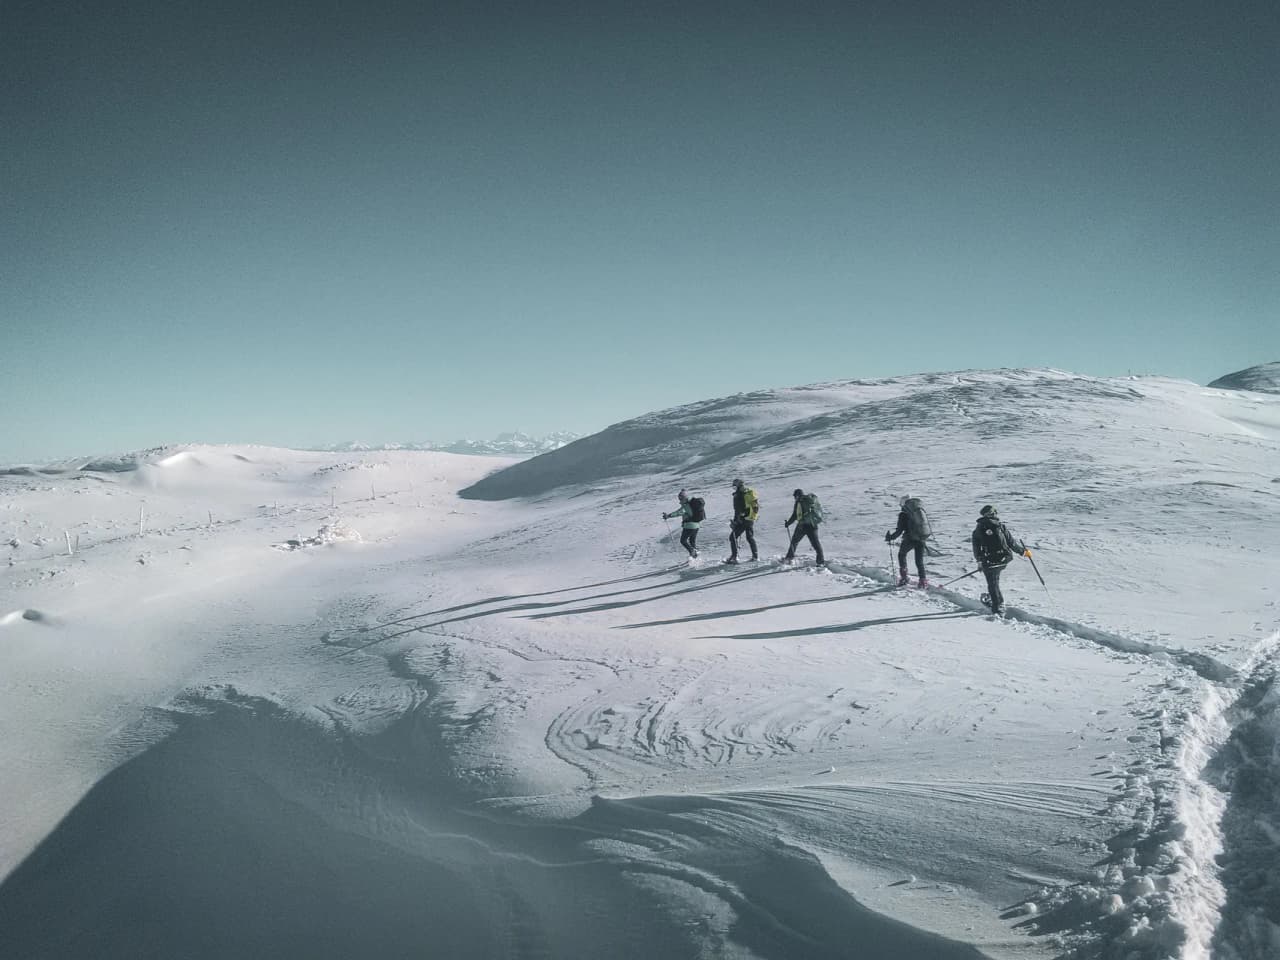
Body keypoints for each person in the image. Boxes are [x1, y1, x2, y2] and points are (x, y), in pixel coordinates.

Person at [971, 504, 1026, 615]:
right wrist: (1023, 551)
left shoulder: (979, 528)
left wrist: (980, 561)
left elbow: (976, 548)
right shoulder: (1000, 526)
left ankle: (997, 607)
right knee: (994, 581)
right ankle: (996, 600)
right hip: (1004, 558)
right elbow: (1011, 543)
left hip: (989, 560)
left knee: (992, 583)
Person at [885, 495, 930, 588]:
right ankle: (923, 581)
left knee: (901, 555)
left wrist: (891, 537)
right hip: (921, 538)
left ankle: (904, 578)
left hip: (910, 538)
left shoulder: (903, 514)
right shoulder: (918, 511)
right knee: (919, 561)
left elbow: (899, 530)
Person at [783, 488, 825, 566]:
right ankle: (821, 561)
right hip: (813, 525)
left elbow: (795, 515)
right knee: (816, 544)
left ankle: (789, 558)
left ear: (797, 495)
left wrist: (788, 523)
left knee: (794, 542)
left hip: (802, 526)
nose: (794, 498)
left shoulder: (799, 502)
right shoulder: (810, 501)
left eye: (795, 496)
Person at [725, 478, 759, 564]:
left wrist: (735, 522)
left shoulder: (738, 495)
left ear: (738, 486)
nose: (734, 488)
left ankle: (734, 557)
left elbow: (738, 510)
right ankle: (755, 556)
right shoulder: (747, 492)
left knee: (732, 537)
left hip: (743, 519)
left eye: (734, 486)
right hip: (750, 518)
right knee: (750, 537)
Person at [663, 489, 700, 558]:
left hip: (689, 526)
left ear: (684, 498)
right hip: (696, 525)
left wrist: (668, 516)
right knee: (692, 541)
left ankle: (692, 552)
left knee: (683, 541)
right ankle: (695, 556)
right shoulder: (692, 503)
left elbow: (679, 512)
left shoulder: (686, 506)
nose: (680, 501)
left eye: (680, 499)